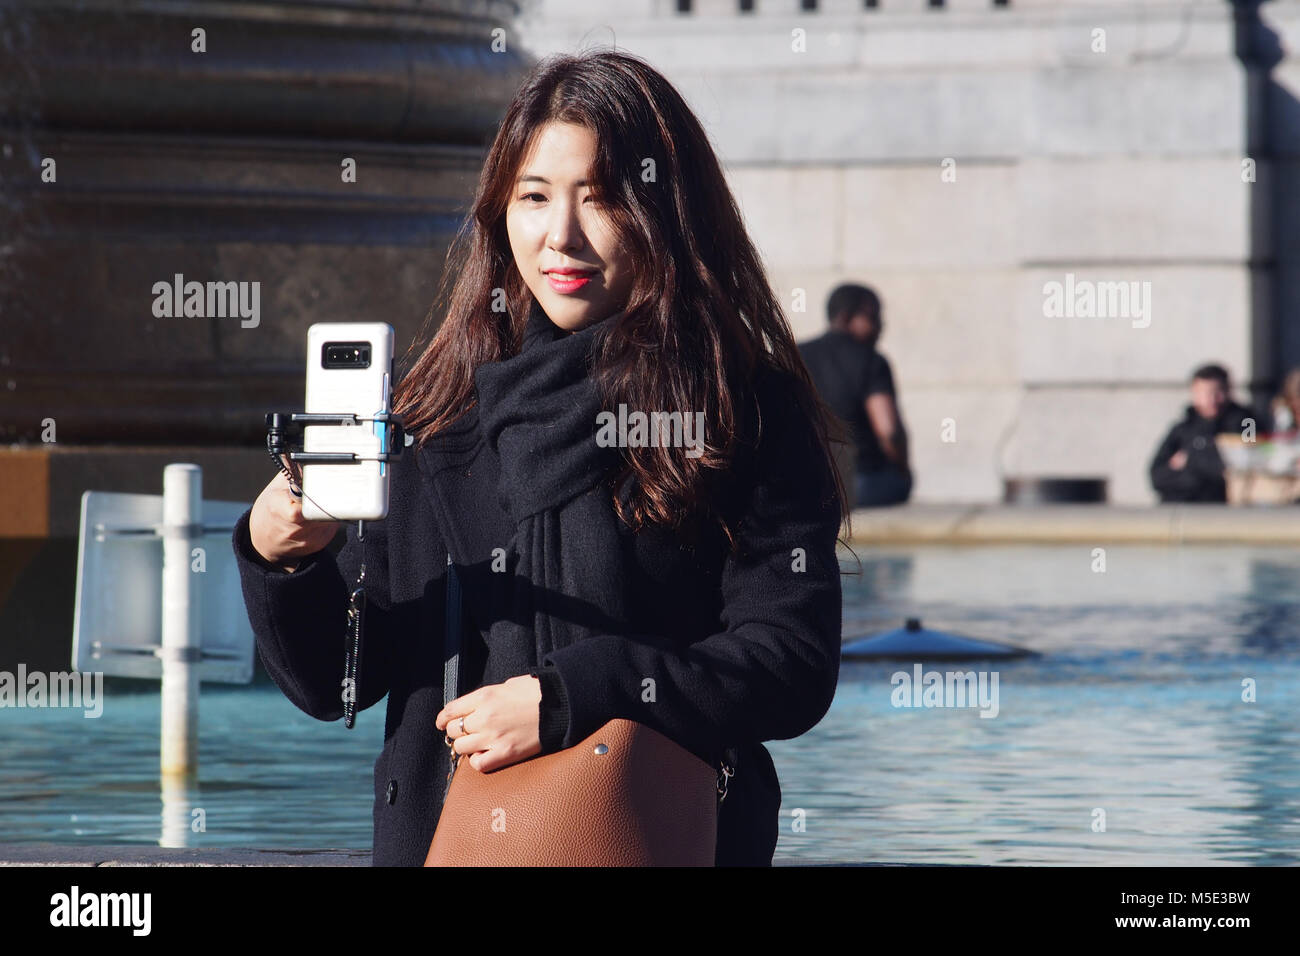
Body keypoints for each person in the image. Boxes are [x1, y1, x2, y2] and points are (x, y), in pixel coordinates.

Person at [231, 49, 850, 867]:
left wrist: (575, 696)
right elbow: (340, 684)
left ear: (666, 211)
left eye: (599, 200)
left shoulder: (739, 411)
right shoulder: (437, 414)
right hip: (443, 846)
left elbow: (790, 663)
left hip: (657, 840)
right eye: (534, 197)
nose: (561, 236)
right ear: (500, 212)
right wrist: (285, 561)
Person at [798, 284, 912, 507]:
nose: (880, 326)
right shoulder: (872, 361)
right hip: (861, 483)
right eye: (874, 317)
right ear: (846, 317)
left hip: (805, 484)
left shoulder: (797, 355)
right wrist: (903, 468)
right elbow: (889, 432)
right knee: (900, 482)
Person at [1149, 363, 1257, 503]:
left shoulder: (1247, 424)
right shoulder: (1183, 429)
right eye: (1205, 392)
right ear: (1194, 393)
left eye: (1218, 392)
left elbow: (1250, 465)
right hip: (1183, 509)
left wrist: (1190, 461)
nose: (1212, 399)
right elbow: (1157, 476)